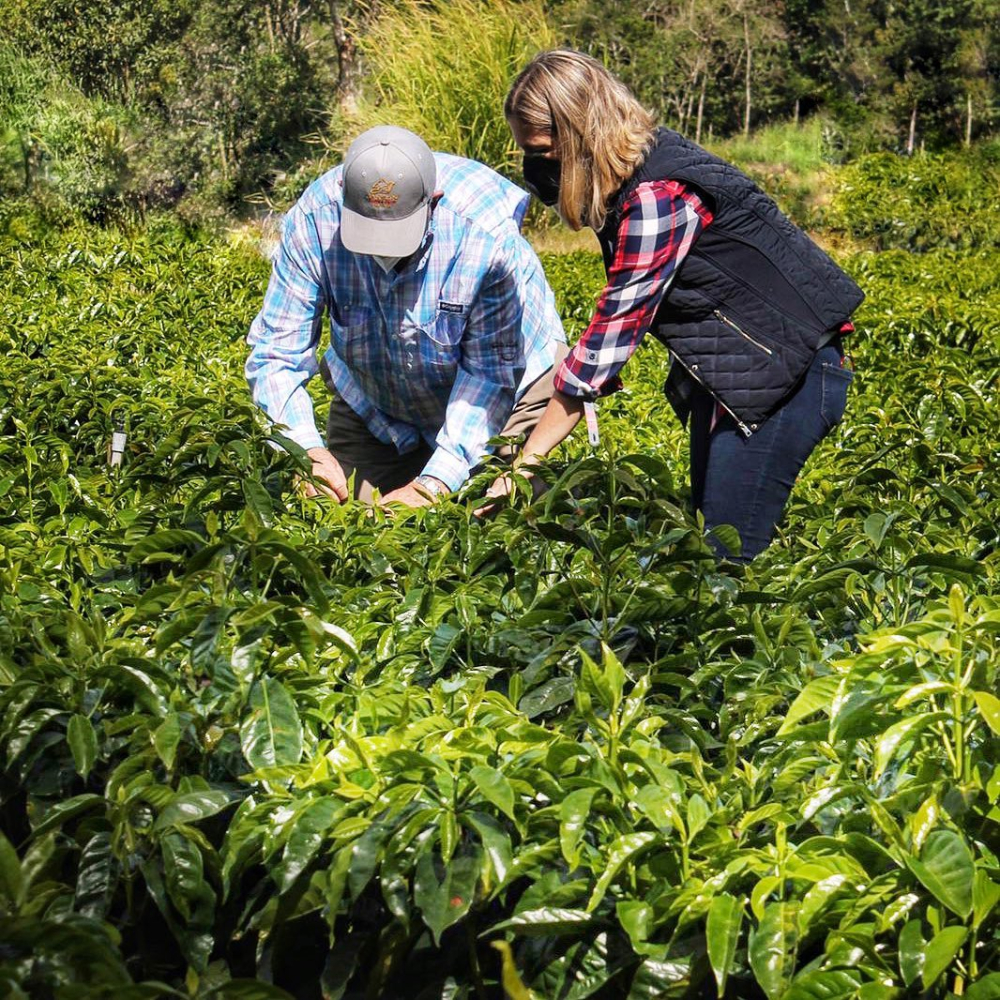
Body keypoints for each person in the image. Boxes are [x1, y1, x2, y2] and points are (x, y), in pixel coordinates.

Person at [493, 50, 863, 560]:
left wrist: (525, 464)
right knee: (706, 550)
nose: (536, 167)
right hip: (738, 377)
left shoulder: (657, 197)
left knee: (725, 562)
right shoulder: (639, 171)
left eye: (543, 151)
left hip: (788, 378)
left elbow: (609, 339)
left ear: (578, 136)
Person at [247, 125, 567, 507]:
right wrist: (304, 451)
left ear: (433, 201)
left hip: (504, 388)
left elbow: (487, 377)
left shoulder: (485, 238)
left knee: (495, 523)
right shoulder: (314, 222)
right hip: (377, 401)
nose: (383, 256)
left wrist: (433, 484)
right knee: (340, 519)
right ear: (344, 202)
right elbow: (276, 353)